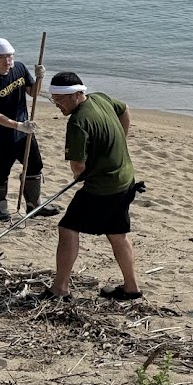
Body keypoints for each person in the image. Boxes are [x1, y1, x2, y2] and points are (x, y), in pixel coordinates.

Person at [43, 72, 145, 302]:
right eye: (53, 99)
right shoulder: (101, 99)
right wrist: (118, 143)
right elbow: (125, 110)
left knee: (68, 228)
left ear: (78, 94)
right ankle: (131, 288)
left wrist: (83, 174)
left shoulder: (78, 122)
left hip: (103, 188)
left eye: (60, 99)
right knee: (118, 233)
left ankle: (60, 289)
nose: (57, 105)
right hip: (125, 178)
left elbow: (78, 166)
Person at [0, 37, 59, 221]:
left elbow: (33, 92)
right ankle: (1, 209)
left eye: (9, 56)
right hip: (3, 136)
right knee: (1, 173)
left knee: (35, 165)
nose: (7, 61)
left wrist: (40, 77)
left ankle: (33, 205)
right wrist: (19, 126)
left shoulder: (20, 68)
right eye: (1, 57)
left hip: (25, 133)